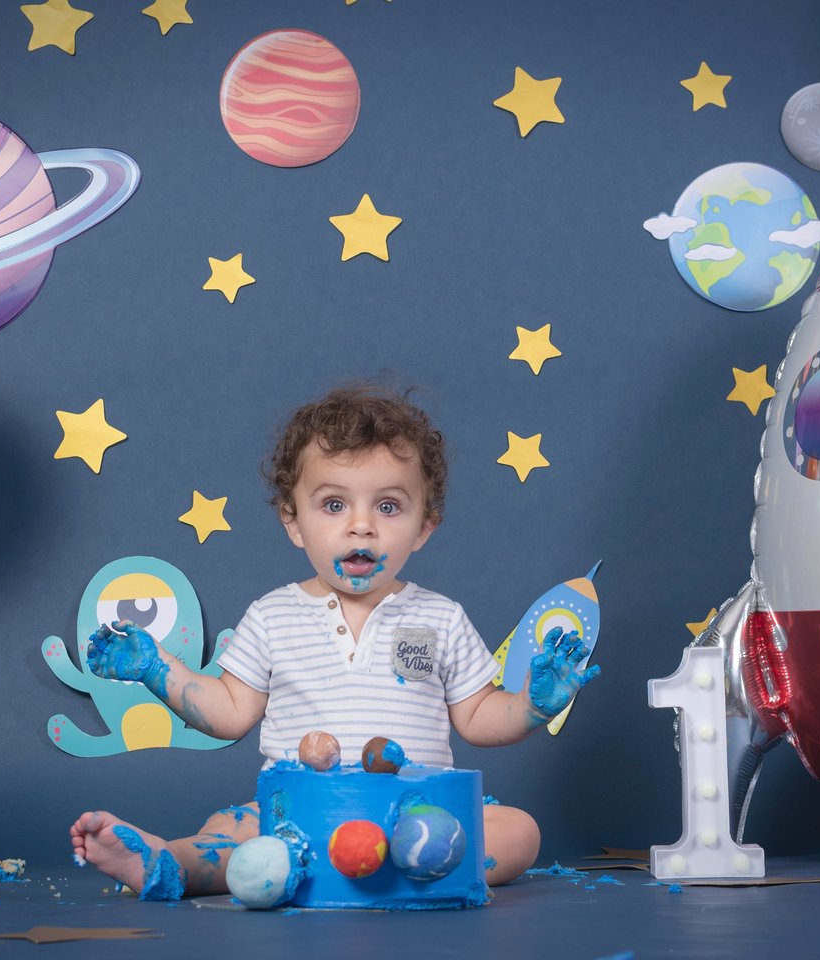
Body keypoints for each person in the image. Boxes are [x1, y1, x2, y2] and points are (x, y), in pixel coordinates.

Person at [70, 385, 599, 899]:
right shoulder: (273, 615)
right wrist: (156, 667)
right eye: (333, 506)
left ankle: (378, 867)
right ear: (293, 521)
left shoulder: (442, 617)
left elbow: (480, 716)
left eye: (389, 507)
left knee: (518, 830)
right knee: (230, 832)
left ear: (424, 528)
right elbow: (227, 712)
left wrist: (532, 704)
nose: (361, 527)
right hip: (297, 815)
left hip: (411, 816)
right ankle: (171, 863)